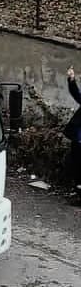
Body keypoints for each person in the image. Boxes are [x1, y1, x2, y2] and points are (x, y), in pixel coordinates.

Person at [66, 67, 81, 203]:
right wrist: (71, 79)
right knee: (75, 166)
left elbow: (77, 94)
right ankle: (78, 192)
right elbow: (77, 94)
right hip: (78, 139)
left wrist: (72, 79)